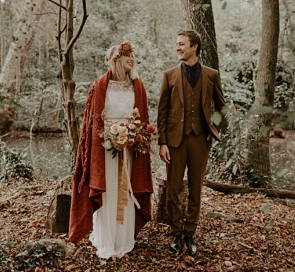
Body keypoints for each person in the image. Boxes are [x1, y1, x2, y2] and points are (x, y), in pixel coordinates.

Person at [69, 42, 153, 258]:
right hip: (105, 147)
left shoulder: (138, 85)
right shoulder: (100, 85)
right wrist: (111, 137)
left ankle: (123, 241)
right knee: (108, 191)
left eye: (133, 56)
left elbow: (142, 118)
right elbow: (93, 120)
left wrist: (132, 137)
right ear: (116, 59)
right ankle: (107, 242)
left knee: (126, 189)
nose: (131, 59)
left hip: (130, 148)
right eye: (127, 56)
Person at [157, 29, 225, 258]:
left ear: (194, 46)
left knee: (196, 189)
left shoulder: (211, 75)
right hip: (175, 141)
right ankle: (176, 234)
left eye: (181, 44)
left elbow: (221, 107)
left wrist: (213, 128)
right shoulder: (169, 75)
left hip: (200, 141)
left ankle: (190, 234)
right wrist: (162, 142)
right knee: (173, 190)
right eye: (176, 44)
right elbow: (163, 112)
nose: (177, 47)